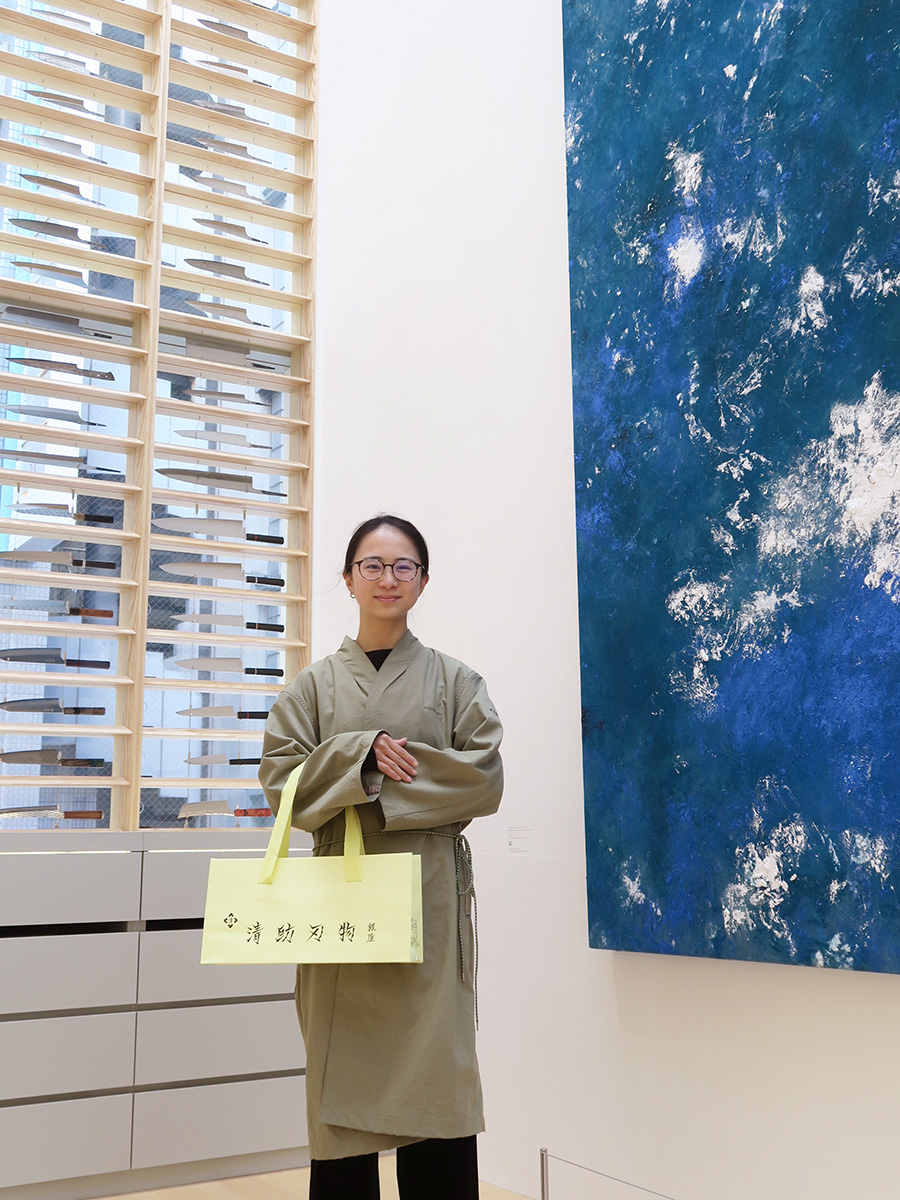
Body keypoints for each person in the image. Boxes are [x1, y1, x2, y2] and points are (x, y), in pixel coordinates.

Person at [259, 514, 504, 1200]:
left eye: (403, 567)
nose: (387, 578)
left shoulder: (457, 681)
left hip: (428, 903)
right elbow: (281, 785)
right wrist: (357, 758)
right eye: (372, 565)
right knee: (340, 1103)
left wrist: (373, 779)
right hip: (344, 905)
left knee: (439, 1093)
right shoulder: (311, 688)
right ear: (348, 579)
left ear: (422, 581)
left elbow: (484, 779)